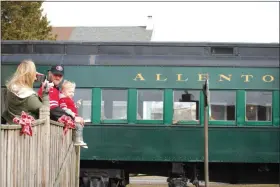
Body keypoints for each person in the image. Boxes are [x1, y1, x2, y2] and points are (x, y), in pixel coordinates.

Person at [37, 65, 85, 145]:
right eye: (56, 75)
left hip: (51, 131)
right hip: (47, 132)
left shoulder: (56, 89)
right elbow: (53, 109)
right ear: (50, 74)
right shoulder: (48, 87)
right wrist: (73, 118)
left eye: (60, 76)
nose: (58, 78)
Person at [1, 60, 51, 124]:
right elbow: (45, 112)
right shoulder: (30, 97)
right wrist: (45, 94)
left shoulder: (10, 90)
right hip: (27, 132)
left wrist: (30, 77)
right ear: (30, 76)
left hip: (11, 128)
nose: (36, 78)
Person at [59, 80, 88, 147]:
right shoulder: (62, 99)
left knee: (79, 125)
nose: (72, 94)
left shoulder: (69, 99)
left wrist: (76, 105)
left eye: (73, 92)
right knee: (78, 126)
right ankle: (78, 140)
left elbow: (72, 107)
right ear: (63, 91)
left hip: (73, 117)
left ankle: (80, 140)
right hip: (69, 118)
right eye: (69, 92)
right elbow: (64, 109)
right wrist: (73, 115)